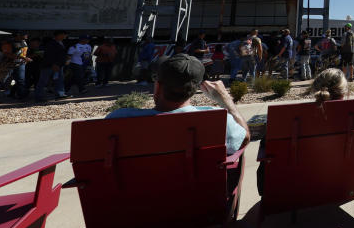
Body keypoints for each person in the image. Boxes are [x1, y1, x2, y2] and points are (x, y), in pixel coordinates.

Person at [107, 54, 249, 155]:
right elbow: (245, 138)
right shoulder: (217, 120)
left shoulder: (118, 118)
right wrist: (225, 99)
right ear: (195, 90)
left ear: (158, 86)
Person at [36, 30, 69, 101]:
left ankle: (60, 94)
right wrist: (54, 64)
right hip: (49, 65)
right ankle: (39, 96)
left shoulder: (61, 42)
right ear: (59, 35)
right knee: (43, 81)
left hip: (59, 65)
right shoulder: (51, 43)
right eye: (64, 34)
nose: (65, 36)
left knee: (59, 80)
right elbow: (49, 55)